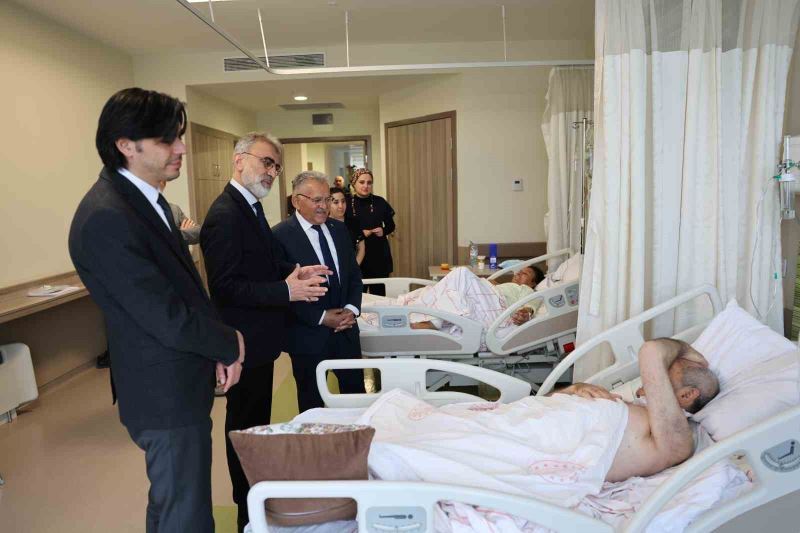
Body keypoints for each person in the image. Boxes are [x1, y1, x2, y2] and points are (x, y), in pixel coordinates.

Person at [68, 87, 245, 533]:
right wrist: (229, 342)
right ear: (126, 145)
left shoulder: (148, 201)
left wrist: (216, 347)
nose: (181, 148)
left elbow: (186, 290)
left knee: (172, 505)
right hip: (162, 391)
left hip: (179, 378)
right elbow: (163, 313)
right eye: (168, 139)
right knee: (186, 516)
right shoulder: (107, 217)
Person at [200, 132, 330, 532]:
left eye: (276, 165)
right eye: (266, 162)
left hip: (260, 343)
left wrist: (295, 272)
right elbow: (225, 287)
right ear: (239, 160)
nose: (272, 171)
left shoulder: (251, 209)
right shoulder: (225, 215)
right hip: (242, 345)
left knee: (256, 427)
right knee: (243, 429)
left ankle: (255, 495)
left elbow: (265, 264)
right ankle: (246, 510)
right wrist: (286, 291)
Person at [559, 338, 719, 480]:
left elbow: (651, 350)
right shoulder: (636, 409)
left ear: (687, 394)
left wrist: (684, 348)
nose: (650, 379)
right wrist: (573, 389)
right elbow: (546, 400)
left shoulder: (677, 441)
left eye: (665, 373)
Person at [273, 171, 366, 412]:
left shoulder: (339, 229)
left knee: (356, 399)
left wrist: (351, 310)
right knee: (311, 404)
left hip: (346, 331)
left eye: (327, 199)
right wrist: (322, 317)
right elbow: (280, 292)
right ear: (297, 201)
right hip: (307, 335)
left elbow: (353, 276)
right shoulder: (279, 236)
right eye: (317, 200)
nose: (324, 206)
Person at [368, 265, 546, 330]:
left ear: (533, 283)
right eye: (519, 271)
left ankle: (432, 321)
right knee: (434, 291)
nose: (518, 273)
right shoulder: (503, 285)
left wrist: (526, 312)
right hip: (481, 301)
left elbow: (533, 303)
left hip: (495, 309)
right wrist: (491, 284)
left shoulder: (526, 290)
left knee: (461, 273)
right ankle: (411, 310)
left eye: (525, 274)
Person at [345, 168, 395, 295]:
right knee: (357, 295)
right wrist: (360, 234)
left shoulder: (380, 202)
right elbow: (343, 229)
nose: (366, 186)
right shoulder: (346, 204)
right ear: (354, 183)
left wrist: (383, 230)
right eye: (362, 182)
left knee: (379, 296)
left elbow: (391, 225)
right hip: (356, 256)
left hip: (379, 256)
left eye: (369, 183)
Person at [157, 179, 201, 244]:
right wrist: (182, 234)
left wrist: (180, 234)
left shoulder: (174, 209)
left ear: (164, 185)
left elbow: (198, 233)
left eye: (159, 181)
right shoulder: (142, 210)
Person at [330, 186, 365, 265]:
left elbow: (361, 248)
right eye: (336, 202)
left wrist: (355, 267)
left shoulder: (354, 223)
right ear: (327, 204)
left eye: (343, 201)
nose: (341, 206)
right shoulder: (323, 224)